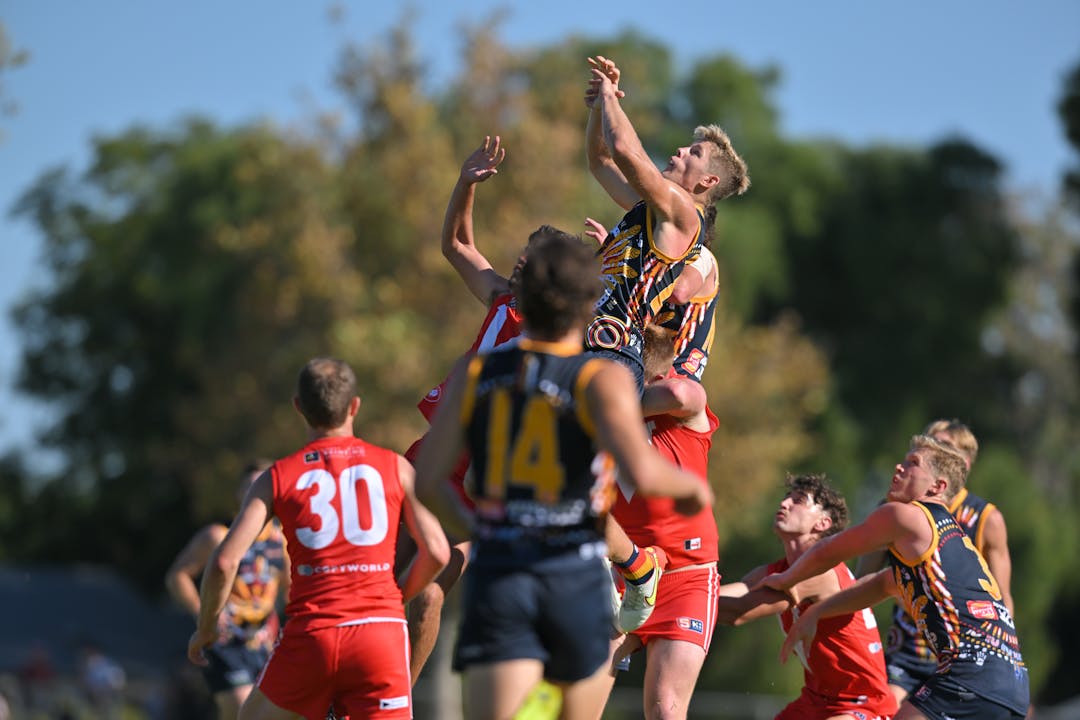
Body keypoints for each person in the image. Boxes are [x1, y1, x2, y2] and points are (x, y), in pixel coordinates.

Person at [413, 230, 713, 720]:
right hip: (574, 575)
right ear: (591, 305)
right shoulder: (601, 379)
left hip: (503, 574)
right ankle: (638, 568)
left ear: (522, 296)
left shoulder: (478, 373)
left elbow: (429, 481)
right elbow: (643, 471)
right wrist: (692, 490)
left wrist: (484, 531)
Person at [187, 358, 450, 720]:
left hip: (312, 637)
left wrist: (205, 629)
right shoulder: (397, 468)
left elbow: (223, 562)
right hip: (380, 638)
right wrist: (390, 601)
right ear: (354, 406)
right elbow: (437, 552)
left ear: (298, 407)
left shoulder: (276, 477)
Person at [762, 435, 1029, 720]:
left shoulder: (904, 516)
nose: (900, 467)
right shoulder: (949, 539)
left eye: (913, 463)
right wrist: (817, 612)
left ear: (937, 487)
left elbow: (828, 550)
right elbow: (881, 584)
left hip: (970, 676)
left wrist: (785, 580)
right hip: (1013, 685)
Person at [400, 135, 526, 685]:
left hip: (481, 482)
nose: (519, 263)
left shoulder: (572, 337)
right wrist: (464, 184)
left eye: (532, 261)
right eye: (521, 256)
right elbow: (455, 245)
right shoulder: (502, 298)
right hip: (432, 458)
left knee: (428, 593)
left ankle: (394, 703)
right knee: (376, 583)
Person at [583, 55, 749, 390]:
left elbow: (623, 150)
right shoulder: (655, 208)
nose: (682, 150)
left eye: (695, 153)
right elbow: (600, 161)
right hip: (590, 339)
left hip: (611, 350)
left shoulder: (684, 213)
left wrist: (611, 96)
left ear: (708, 181)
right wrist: (599, 110)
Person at [589, 323, 721, 720]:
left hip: (686, 575)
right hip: (619, 573)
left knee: (665, 708)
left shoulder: (680, 402)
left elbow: (682, 394)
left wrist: (610, 403)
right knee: (575, 703)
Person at [856, 419, 1017, 707]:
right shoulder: (895, 509)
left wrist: (1006, 656)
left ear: (963, 463)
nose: (932, 452)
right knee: (882, 708)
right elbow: (861, 581)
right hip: (909, 648)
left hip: (964, 652)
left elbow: (1003, 599)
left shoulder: (985, 519)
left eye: (943, 447)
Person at [714, 474, 897, 720]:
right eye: (786, 497)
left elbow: (739, 611)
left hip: (862, 704)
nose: (784, 503)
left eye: (798, 500)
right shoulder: (778, 570)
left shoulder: (821, 572)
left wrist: (672, 603)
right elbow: (713, 596)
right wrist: (672, 592)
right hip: (816, 700)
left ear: (822, 523)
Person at [167, 461, 288, 720]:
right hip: (224, 641)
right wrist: (204, 613)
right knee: (240, 707)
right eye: (250, 487)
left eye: (264, 486)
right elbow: (177, 575)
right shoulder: (218, 536)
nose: (258, 494)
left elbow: (293, 592)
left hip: (263, 643)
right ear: (239, 493)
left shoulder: (283, 541)